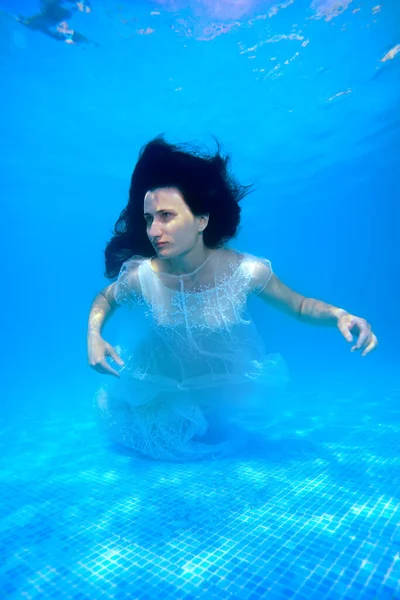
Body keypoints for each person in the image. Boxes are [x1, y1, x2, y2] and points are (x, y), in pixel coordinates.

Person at [87, 137, 378, 461]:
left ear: (202, 220)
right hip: (158, 387)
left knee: (213, 430)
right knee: (150, 441)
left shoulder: (245, 271)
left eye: (166, 216)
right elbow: (105, 299)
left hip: (216, 383)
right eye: (148, 219)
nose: (154, 231)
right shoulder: (143, 277)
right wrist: (94, 335)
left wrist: (340, 314)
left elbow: (299, 306)